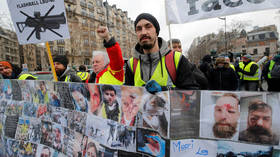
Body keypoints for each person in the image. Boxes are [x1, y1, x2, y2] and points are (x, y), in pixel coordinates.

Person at [124, 13, 199, 92]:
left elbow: (192, 93)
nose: (143, 32)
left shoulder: (177, 59)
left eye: (148, 27)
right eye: (139, 29)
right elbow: (127, 98)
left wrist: (164, 90)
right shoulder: (131, 64)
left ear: (156, 31)